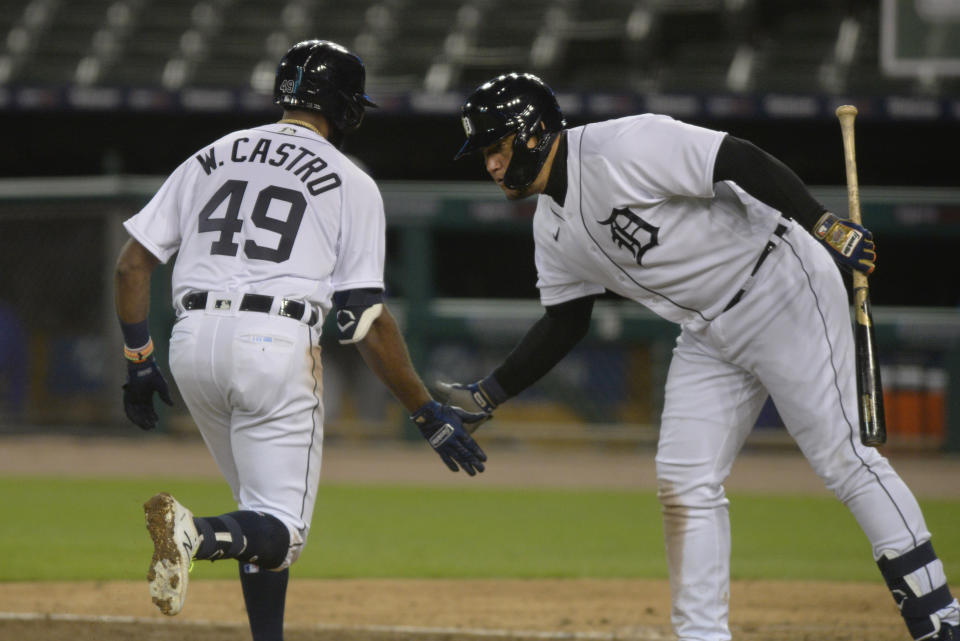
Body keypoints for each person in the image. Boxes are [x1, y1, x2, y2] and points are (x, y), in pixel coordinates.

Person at [438, 72, 958, 641]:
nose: (489, 165)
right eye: (484, 153)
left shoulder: (625, 144)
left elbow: (738, 158)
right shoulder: (550, 226)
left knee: (845, 460)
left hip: (779, 285)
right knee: (684, 482)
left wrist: (822, 223)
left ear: (533, 132)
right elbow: (567, 319)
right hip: (708, 332)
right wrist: (490, 393)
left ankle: (938, 619)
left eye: (496, 147)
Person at [113, 39, 486, 641]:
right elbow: (365, 319)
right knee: (283, 528)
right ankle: (195, 533)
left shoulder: (210, 155)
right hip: (272, 342)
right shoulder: (351, 180)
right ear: (344, 107)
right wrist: (425, 412)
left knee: (258, 517)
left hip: (190, 343)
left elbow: (132, 266)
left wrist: (138, 362)